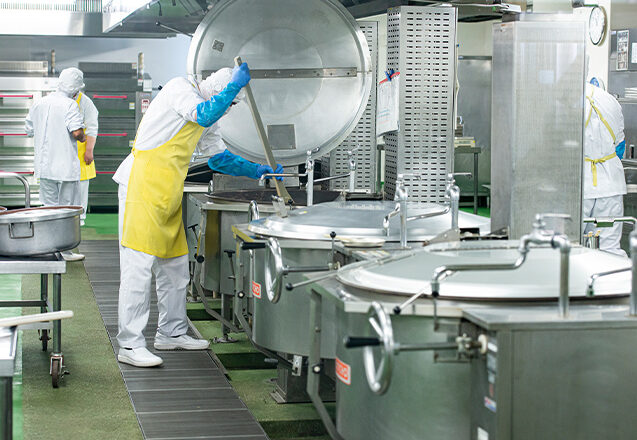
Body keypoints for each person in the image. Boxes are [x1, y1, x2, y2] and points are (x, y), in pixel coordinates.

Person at [113, 64, 284, 368]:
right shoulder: (180, 89)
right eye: (230, 102)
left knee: (175, 266)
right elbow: (203, 114)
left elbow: (218, 159)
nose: (228, 109)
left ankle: (171, 332)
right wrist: (234, 87)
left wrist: (257, 170)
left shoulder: (209, 116)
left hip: (166, 191)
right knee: (138, 267)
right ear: (220, 91)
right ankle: (130, 343)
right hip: (141, 185)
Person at [25, 67, 87, 261]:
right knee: (66, 210)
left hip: (44, 166)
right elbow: (76, 132)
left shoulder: (40, 103)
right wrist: (84, 137)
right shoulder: (70, 105)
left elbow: (29, 129)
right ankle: (65, 251)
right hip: (65, 167)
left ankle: (49, 248)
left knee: (48, 208)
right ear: (75, 88)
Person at [582, 78, 627, 256]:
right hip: (611, 185)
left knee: (570, 246)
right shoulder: (610, 100)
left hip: (580, 185)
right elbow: (620, 144)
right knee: (610, 249)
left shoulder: (568, 99)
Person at [72, 87, 99, 226]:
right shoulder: (59, 99)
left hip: (81, 150)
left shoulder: (86, 103)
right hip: (63, 150)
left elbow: (92, 128)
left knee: (81, 186)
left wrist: (89, 150)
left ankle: (80, 217)